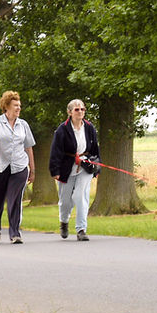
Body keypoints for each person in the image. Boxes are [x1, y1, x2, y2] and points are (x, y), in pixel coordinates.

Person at [0, 91, 35, 244]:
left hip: (19, 167)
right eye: (15, 105)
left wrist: (32, 169)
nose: (18, 108)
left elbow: (29, 147)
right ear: (6, 106)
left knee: (14, 199)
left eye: (19, 105)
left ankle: (15, 233)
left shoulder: (23, 124)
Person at [49, 99, 100, 241]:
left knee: (80, 195)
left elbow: (95, 149)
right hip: (66, 167)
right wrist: (55, 170)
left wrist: (97, 168)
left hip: (85, 166)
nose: (80, 112)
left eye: (82, 109)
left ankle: (81, 229)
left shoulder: (89, 127)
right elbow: (55, 151)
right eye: (77, 109)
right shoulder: (62, 129)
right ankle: (64, 222)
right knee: (66, 200)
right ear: (70, 112)